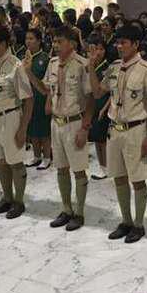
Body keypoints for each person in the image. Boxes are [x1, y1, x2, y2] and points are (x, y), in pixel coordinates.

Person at [89, 24, 147, 244]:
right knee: (119, 177)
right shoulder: (114, 67)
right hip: (115, 129)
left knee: (137, 179)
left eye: (124, 43)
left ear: (135, 44)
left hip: (136, 129)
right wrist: (91, 67)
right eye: (117, 42)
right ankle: (126, 221)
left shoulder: (146, 69)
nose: (119, 46)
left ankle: (138, 224)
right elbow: (98, 92)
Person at [0, 25, 34, 219]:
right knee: (0, 162)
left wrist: (23, 129)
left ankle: (19, 201)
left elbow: (28, 100)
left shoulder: (15, 66)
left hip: (9, 118)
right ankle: (7, 198)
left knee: (15, 162)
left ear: (3, 44)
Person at [44, 27, 93, 231]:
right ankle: (66, 209)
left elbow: (90, 98)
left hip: (75, 122)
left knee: (79, 169)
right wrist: (28, 73)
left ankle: (79, 212)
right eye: (54, 41)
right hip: (56, 122)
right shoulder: (52, 63)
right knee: (61, 168)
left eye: (59, 41)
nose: (55, 45)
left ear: (72, 44)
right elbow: (48, 88)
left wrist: (85, 128)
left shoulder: (82, 65)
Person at [22, 28, 52, 170]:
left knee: (44, 130)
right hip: (28, 97)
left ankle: (47, 157)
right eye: (27, 38)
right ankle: (36, 156)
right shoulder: (24, 59)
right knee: (32, 128)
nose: (28, 41)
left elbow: (49, 83)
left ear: (39, 41)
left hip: (42, 97)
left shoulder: (45, 59)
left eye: (31, 38)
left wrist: (48, 101)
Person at [86, 34, 111, 180]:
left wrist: (104, 108)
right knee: (96, 137)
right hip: (92, 106)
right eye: (96, 49)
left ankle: (106, 166)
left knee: (103, 139)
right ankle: (102, 166)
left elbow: (113, 92)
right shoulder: (90, 66)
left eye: (101, 49)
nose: (98, 52)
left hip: (104, 105)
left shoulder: (108, 67)